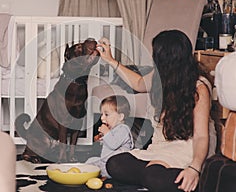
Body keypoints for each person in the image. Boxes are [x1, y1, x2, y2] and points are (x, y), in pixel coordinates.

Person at [96, 30, 217, 192]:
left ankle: (171, 177)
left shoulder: (199, 88)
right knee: (114, 164)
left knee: (154, 176)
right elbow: (138, 83)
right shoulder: (161, 76)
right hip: (159, 149)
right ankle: (155, 174)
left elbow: (202, 136)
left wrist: (194, 168)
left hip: (187, 151)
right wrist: (110, 60)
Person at [86, 95, 134, 178]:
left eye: (106, 114)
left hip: (117, 165)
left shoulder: (123, 129)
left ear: (120, 117)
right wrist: (101, 138)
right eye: (102, 114)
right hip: (105, 161)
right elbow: (108, 145)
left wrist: (106, 132)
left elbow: (114, 144)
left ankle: (97, 173)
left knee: (98, 168)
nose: (102, 118)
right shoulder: (113, 129)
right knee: (90, 160)